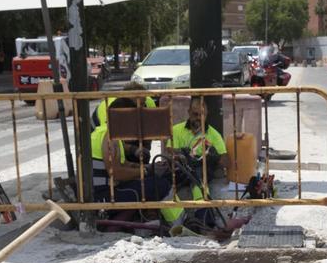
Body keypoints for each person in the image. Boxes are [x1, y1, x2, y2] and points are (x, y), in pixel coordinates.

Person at [90, 97, 171, 209]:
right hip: (104, 196)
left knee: (153, 181)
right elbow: (117, 173)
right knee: (160, 185)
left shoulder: (107, 132)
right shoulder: (108, 138)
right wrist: (145, 171)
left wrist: (149, 167)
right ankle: (177, 222)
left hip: (104, 193)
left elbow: (124, 164)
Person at [161, 96, 229, 226]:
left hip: (200, 171)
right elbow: (169, 149)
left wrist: (213, 156)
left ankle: (204, 220)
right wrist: (181, 153)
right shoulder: (177, 129)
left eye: (201, 114)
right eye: (195, 114)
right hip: (180, 170)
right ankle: (199, 220)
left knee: (199, 175)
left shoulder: (214, 134)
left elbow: (225, 161)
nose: (198, 117)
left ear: (206, 115)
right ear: (188, 112)